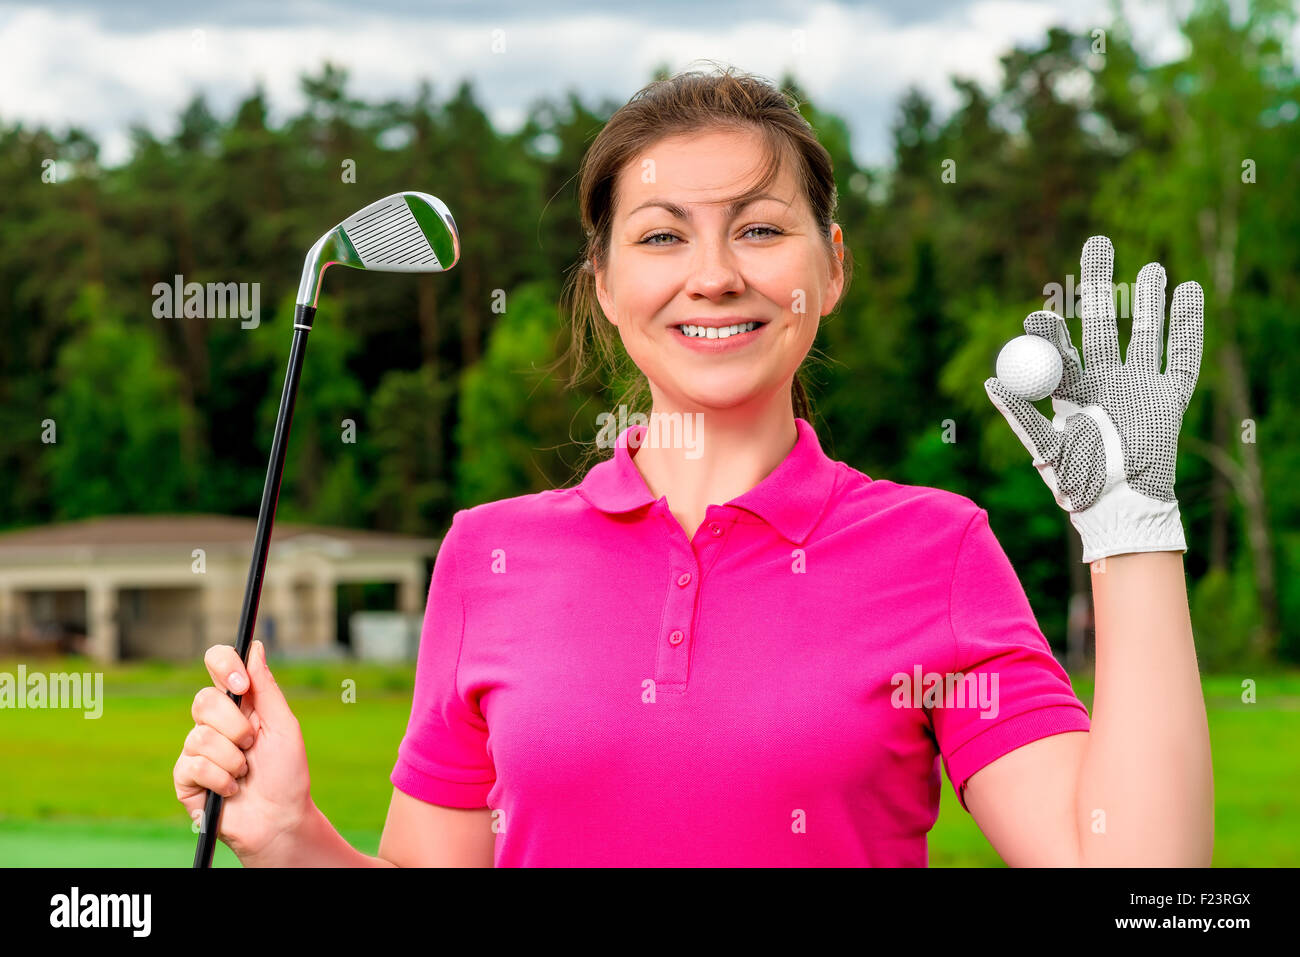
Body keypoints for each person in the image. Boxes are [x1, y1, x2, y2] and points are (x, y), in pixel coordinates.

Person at [173, 63, 1213, 867]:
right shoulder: (487, 555)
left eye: (760, 230)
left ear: (831, 267)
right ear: (605, 283)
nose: (714, 277)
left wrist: (1130, 534)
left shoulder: (934, 549)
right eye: (663, 237)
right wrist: (296, 837)